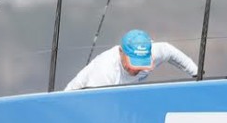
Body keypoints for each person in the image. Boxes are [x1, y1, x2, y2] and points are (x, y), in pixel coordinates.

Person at [65, 29, 198, 91]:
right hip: (75, 102)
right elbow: (97, 107)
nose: (136, 70)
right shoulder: (105, 72)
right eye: (133, 63)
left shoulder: (153, 53)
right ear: (121, 52)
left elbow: (170, 51)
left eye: (141, 63)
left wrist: (197, 74)